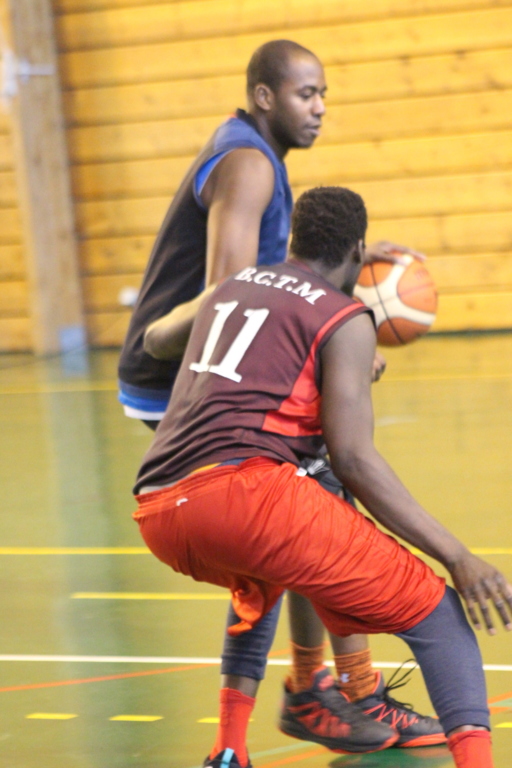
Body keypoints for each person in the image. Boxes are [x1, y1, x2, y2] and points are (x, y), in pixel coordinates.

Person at [118, 39, 443, 752]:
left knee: (295, 515)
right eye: (305, 94)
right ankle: (335, 692)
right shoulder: (250, 165)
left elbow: (268, 284)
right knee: (298, 505)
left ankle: (318, 692)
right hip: (179, 368)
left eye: (324, 94)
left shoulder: (257, 155)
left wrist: (340, 275)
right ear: (264, 97)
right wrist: (332, 344)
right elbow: (227, 290)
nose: (319, 107)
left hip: (200, 358)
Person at [134, 186, 512, 768]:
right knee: (439, 614)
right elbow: (355, 461)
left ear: (295, 240)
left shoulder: (233, 286)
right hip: (243, 496)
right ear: (358, 251)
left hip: (160, 506)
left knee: (267, 569)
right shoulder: (344, 317)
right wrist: (458, 557)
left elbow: (155, 340)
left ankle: (231, 748)